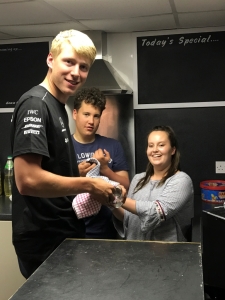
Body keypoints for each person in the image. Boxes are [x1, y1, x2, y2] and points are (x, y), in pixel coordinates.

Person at [10, 29, 126, 279]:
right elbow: (27, 180)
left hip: (61, 231)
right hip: (43, 237)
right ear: (51, 60)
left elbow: (47, 170)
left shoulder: (57, 105)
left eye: (83, 67)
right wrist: (89, 185)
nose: (76, 73)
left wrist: (75, 171)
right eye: (69, 62)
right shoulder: (36, 104)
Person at [112, 125, 194, 242]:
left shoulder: (181, 180)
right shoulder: (138, 179)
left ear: (173, 150)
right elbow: (127, 217)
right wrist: (109, 202)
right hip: (134, 252)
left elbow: (155, 212)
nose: (155, 150)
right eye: (151, 145)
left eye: (161, 145)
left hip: (168, 256)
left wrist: (117, 197)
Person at [72, 87, 130, 239]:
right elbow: (51, 188)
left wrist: (105, 169)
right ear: (75, 114)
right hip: (71, 229)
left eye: (96, 116)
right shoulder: (63, 147)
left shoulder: (112, 145)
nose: (91, 121)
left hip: (106, 230)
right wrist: (76, 175)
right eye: (86, 114)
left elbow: (126, 184)